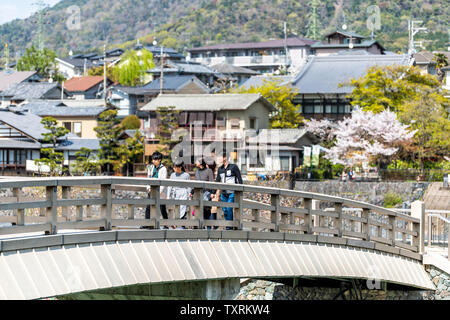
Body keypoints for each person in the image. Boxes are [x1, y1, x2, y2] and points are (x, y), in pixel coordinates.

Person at [214, 152, 243, 230]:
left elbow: (239, 178)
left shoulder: (233, 167)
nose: (218, 159)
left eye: (219, 157)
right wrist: (213, 192)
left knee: (229, 208)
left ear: (224, 158)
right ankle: (229, 224)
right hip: (223, 193)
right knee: (225, 210)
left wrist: (241, 190)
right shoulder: (220, 169)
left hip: (232, 192)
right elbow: (217, 181)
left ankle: (229, 226)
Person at [144, 152, 169, 227]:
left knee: (162, 208)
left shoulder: (163, 169)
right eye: (153, 159)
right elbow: (148, 178)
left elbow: (163, 182)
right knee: (148, 207)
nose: (154, 161)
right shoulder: (151, 167)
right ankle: (147, 224)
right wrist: (148, 188)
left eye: (155, 159)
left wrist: (159, 192)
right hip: (151, 190)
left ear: (160, 160)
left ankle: (166, 224)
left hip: (160, 192)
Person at [192, 158, 215, 228]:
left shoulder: (209, 171)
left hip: (207, 194)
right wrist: (191, 192)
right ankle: (199, 228)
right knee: (198, 211)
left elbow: (212, 182)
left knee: (207, 211)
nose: (195, 162)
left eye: (197, 161)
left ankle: (208, 229)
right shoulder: (197, 172)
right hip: (198, 194)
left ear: (201, 163)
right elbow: (195, 184)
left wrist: (212, 192)